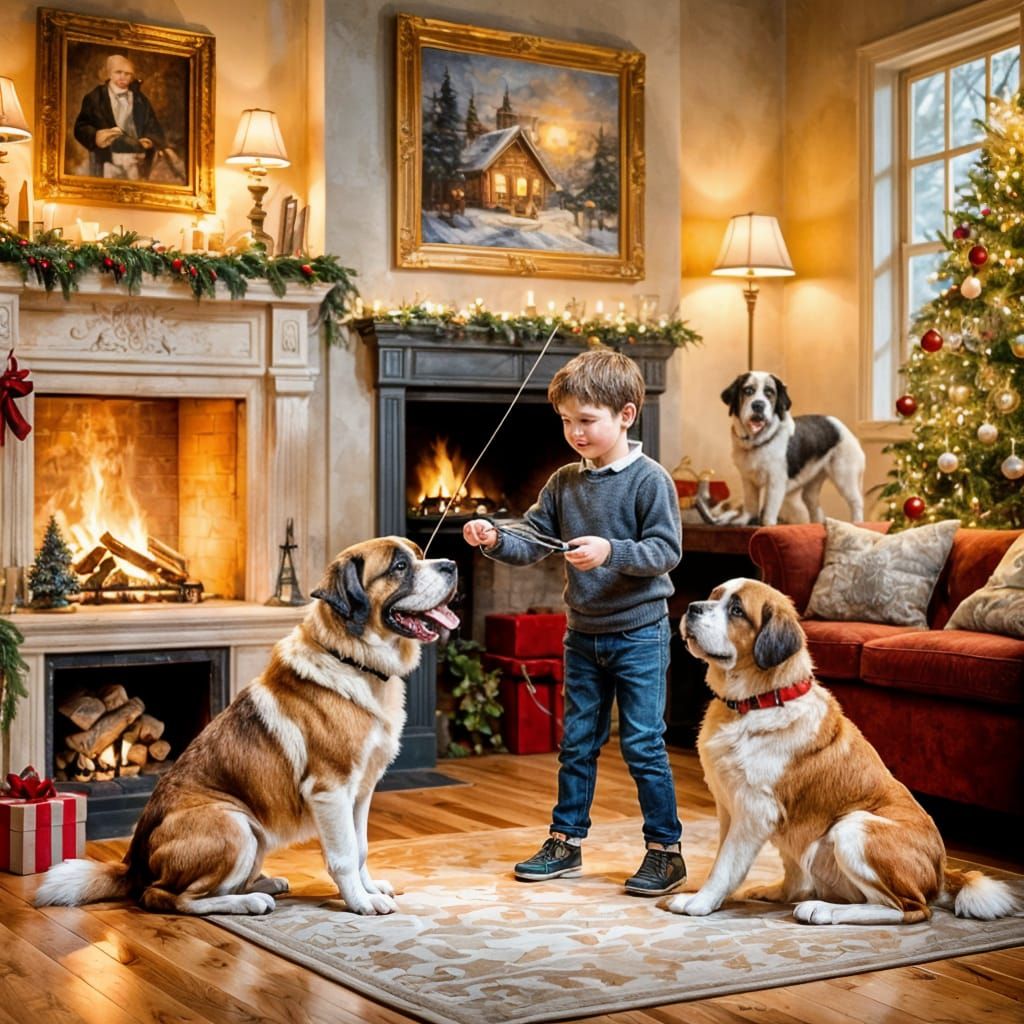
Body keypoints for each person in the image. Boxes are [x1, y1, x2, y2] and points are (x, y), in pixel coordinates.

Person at [463, 348, 686, 896]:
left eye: (586, 421)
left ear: (626, 415)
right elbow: (531, 539)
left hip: (640, 633)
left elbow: (665, 551)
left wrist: (611, 551)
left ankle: (666, 850)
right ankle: (565, 842)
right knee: (578, 742)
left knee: (642, 742)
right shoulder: (564, 482)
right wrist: (494, 537)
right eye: (566, 422)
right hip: (583, 634)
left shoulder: (650, 481)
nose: (575, 433)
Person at [73, 54, 166, 180]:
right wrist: (95, 136)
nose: (123, 77)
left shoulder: (140, 100)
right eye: (118, 72)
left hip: (136, 159)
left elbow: (153, 126)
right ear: (110, 74)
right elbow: (81, 127)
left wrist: (149, 140)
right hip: (107, 160)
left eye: (127, 74)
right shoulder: (95, 97)